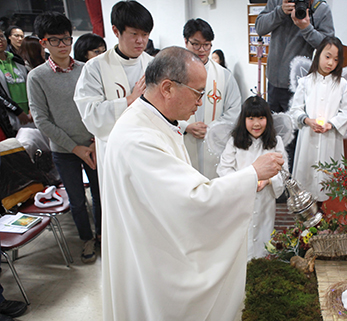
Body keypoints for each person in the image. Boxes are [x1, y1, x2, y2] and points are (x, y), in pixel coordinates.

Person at [101, 46, 284, 321]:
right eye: (198, 92)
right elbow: (193, 200)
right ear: (167, 88)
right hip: (151, 257)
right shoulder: (138, 139)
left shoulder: (155, 121)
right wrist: (252, 174)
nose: (201, 103)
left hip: (153, 242)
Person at [28, 11, 101, 263]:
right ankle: (86, 239)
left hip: (94, 144)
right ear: (43, 43)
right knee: (78, 201)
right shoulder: (36, 77)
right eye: (55, 40)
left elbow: (99, 106)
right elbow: (41, 120)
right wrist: (75, 148)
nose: (62, 45)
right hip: (63, 151)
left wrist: (93, 140)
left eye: (66, 39)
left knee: (101, 193)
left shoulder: (87, 69)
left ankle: (103, 234)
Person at [74, 0, 154, 184]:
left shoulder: (152, 64)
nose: (141, 40)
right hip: (114, 152)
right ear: (116, 31)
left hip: (148, 149)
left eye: (145, 34)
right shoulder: (95, 67)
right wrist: (129, 100)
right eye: (134, 34)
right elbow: (90, 113)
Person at [256, 0, 334, 172]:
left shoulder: (320, 8)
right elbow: (260, 27)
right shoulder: (279, 2)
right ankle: (272, 177)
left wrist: (306, 28)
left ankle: (290, 183)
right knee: (271, 133)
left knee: (292, 138)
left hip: (297, 86)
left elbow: (329, 47)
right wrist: (280, 12)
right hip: (274, 82)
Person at [217, 96, 287, 260]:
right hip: (240, 197)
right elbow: (224, 168)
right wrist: (244, 180)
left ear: (267, 119)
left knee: (263, 233)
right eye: (251, 118)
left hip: (265, 198)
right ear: (244, 119)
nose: (256, 124)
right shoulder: (234, 141)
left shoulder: (276, 142)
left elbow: (283, 171)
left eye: (261, 118)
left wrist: (268, 180)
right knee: (241, 236)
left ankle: (261, 265)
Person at [288, 36, 347, 203]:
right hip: (308, 137)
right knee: (307, 173)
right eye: (327, 56)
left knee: (327, 178)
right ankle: (305, 211)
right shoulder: (305, 82)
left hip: (329, 137)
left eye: (335, 59)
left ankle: (324, 213)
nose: (330, 63)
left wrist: (331, 124)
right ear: (317, 54)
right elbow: (295, 109)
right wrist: (306, 120)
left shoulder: (343, 85)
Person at [182, 18, 242, 179]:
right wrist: (185, 126)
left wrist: (212, 128)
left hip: (214, 144)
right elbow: (162, 108)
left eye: (207, 45)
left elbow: (234, 110)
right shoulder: (173, 72)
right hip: (183, 140)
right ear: (185, 42)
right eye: (196, 44)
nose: (202, 50)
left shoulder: (224, 76)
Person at [0, 29, 32, 131]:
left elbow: (31, 86)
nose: (0, 40)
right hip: (8, 119)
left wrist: (32, 108)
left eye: (1, 36)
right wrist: (17, 111)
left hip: (30, 116)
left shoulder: (17, 61)